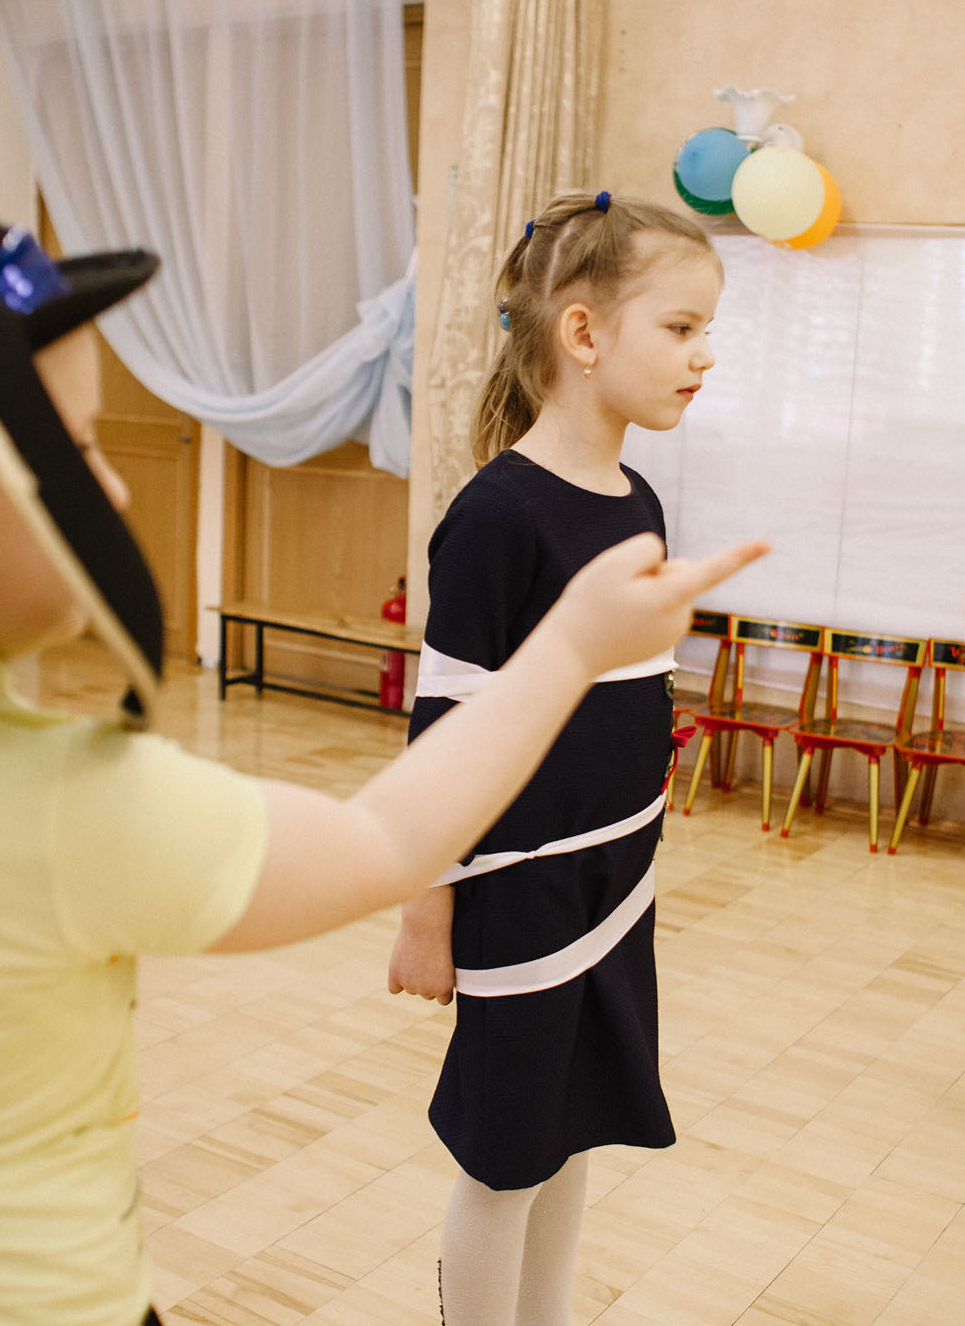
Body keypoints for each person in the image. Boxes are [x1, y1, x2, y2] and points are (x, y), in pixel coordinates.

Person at [0, 55, 764, 1326]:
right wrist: (570, 647)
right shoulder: (55, 801)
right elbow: (380, 839)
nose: (117, 489)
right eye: (75, 453)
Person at [385, 189, 723, 1323]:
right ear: (582, 335)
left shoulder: (640, 502)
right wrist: (425, 911)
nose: (702, 356)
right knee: (505, 1158)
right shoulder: (496, 517)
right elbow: (445, 727)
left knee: (574, 1129)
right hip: (518, 894)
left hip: (615, 886)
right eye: (679, 329)